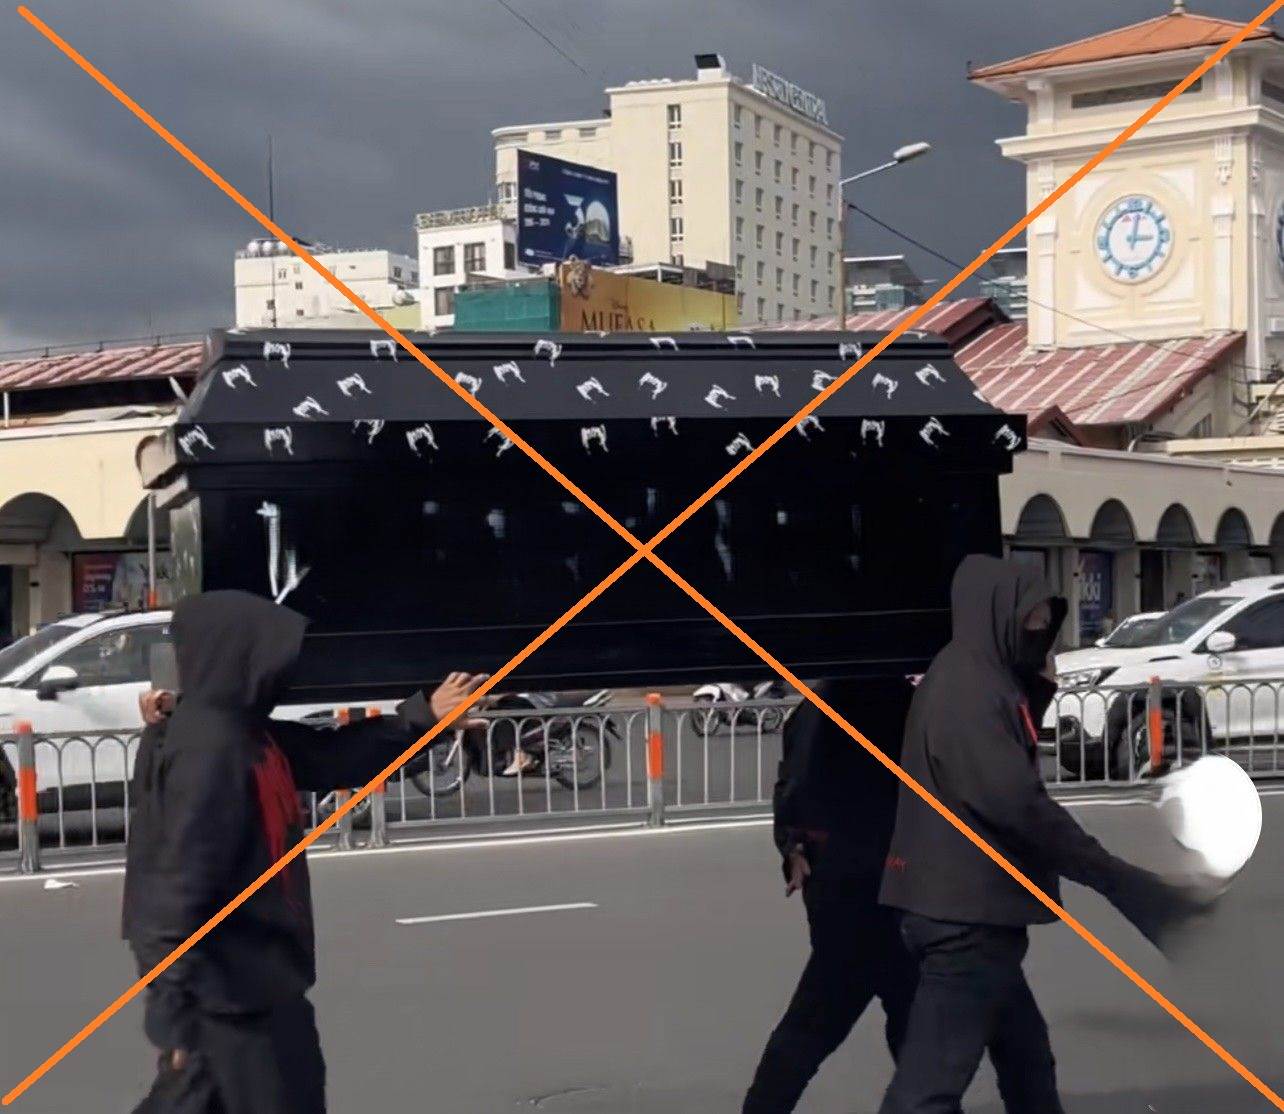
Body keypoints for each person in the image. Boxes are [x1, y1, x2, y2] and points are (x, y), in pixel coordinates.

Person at [123, 590, 486, 1114]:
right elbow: (172, 891)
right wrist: (175, 1015)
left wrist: (424, 716)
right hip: (229, 1004)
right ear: (236, 655)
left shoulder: (242, 733)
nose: (283, 671)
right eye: (269, 656)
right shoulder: (210, 749)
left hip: (256, 993)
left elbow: (334, 755)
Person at [876, 555, 1214, 1114]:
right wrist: (1109, 873)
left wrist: (1038, 690)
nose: (1041, 631)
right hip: (967, 917)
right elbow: (1014, 802)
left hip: (972, 907)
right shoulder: (967, 688)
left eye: (1045, 619)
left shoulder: (977, 677)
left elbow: (1002, 759)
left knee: (1027, 1063)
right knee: (927, 1091)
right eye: (1031, 618)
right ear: (996, 614)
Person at [743, 675, 960, 1113]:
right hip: (884, 891)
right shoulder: (908, 707)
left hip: (850, 887)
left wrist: (794, 847)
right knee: (833, 1022)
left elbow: (793, 787)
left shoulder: (818, 706)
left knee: (830, 1023)